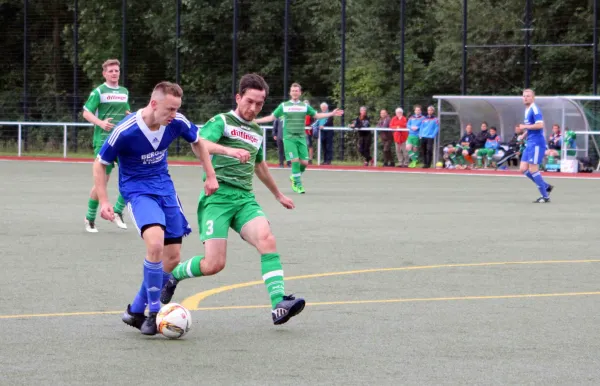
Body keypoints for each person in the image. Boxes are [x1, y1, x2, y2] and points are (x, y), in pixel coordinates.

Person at [161, 73, 306, 326]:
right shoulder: (222, 121)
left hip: (244, 199)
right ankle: (174, 275)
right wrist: (228, 150)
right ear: (238, 97)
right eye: (249, 101)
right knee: (214, 264)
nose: (254, 108)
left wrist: (278, 194)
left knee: (267, 239)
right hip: (217, 198)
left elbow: (259, 165)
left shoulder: (258, 131)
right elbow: (200, 143)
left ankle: (278, 304)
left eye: (259, 104)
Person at [93, 81, 219, 335]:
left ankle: (135, 311)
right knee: (155, 244)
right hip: (138, 191)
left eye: (176, 110)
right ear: (154, 103)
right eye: (169, 109)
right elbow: (100, 164)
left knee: (172, 257)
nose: (173, 115)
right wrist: (105, 202)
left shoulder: (176, 123)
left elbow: (198, 142)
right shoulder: (125, 131)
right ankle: (153, 312)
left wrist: (210, 174)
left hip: (165, 189)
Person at [255, 83, 343, 194]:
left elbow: (316, 115)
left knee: (305, 163)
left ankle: (294, 176)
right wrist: (255, 121)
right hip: (289, 137)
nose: (295, 92)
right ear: (290, 93)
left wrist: (332, 113)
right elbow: (272, 117)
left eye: (297, 91)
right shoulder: (284, 106)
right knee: (295, 160)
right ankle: (298, 184)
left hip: (301, 137)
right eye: (293, 90)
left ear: (300, 93)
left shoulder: (304, 106)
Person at [82, 59, 131, 233]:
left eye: (116, 70)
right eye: (110, 71)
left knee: (132, 175)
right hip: (104, 141)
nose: (114, 73)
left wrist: (132, 118)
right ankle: (90, 218)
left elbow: (126, 112)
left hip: (123, 140)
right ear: (104, 73)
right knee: (103, 181)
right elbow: (86, 113)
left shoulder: (124, 92)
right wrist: (100, 123)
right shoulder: (98, 92)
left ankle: (117, 211)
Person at [520, 89, 554, 203]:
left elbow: (540, 125)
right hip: (530, 142)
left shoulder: (534, 109)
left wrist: (525, 127)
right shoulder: (527, 109)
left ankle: (545, 196)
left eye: (528, 96)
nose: (525, 98)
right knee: (523, 169)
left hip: (536, 143)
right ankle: (545, 186)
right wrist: (524, 134)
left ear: (533, 98)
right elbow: (531, 126)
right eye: (524, 96)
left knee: (533, 169)